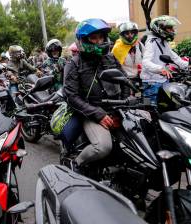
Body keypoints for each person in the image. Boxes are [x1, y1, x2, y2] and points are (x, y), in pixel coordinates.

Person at [62, 18, 130, 170]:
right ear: (83, 40)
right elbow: (71, 96)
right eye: (94, 38)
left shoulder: (110, 58)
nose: (99, 41)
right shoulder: (74, 64)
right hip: (91, 113)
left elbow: (124, 81)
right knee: (103, 147)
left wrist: (122, 107)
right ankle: (76, 164)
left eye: (101, 37)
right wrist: (98, 114)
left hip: (116, 110)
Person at [141, 15, 189, 105]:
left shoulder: (164, 42)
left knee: (166, 108)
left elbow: (175, 58)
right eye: (169, 28)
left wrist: (188, 65)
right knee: (150, 110)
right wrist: (161, 69)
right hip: (151, 83)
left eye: (172, 28)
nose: (172, 31)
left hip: (163, 81)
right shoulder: (151, 42)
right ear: (160, 28)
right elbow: (146, 62)